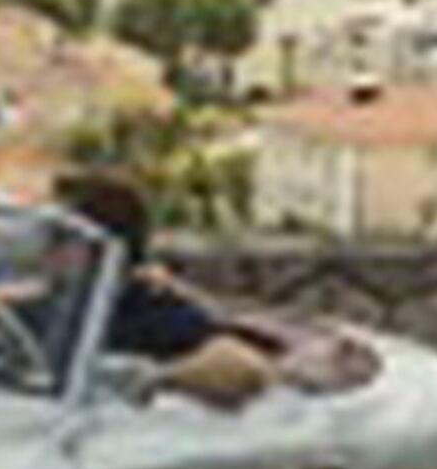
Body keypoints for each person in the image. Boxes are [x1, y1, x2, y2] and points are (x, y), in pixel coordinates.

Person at [55, 172, 274, 410]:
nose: (43, 250)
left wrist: (154, 377)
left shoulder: (154, 314)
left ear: (96, 250)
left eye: (58, 239)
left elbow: (245, 365)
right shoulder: (51, 305)